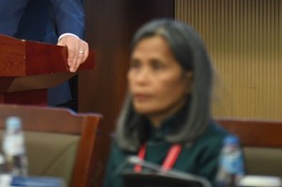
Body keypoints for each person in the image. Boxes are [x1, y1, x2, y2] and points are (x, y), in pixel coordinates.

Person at [103, 18, 240, 187]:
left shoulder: (217, 147)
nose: (141, 79)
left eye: (157, 66)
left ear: (190, 80)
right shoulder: (125, 144)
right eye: (136, 65)